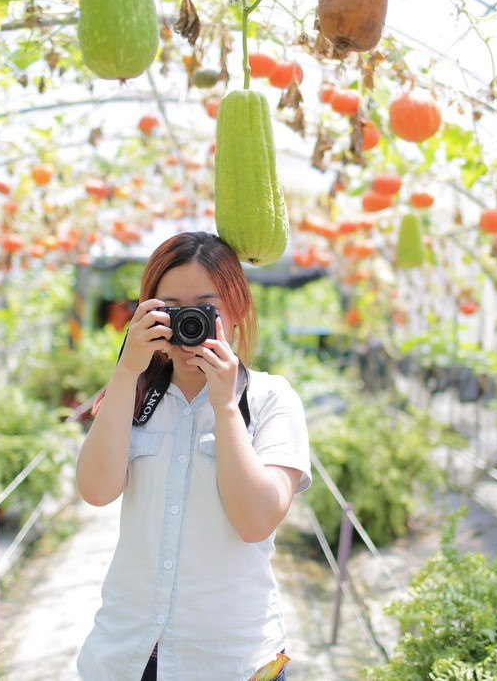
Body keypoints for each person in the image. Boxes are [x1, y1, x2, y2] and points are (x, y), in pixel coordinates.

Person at [75, 231, 311, 680]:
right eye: (171, 308)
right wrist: (127, 369)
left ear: (237, 310)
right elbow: (96, 491)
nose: (189, 326)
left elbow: (256, 520)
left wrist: (224, 408)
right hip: (126, 655)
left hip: (229, 661)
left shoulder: (269, 399)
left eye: (206, 308)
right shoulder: (132, 392)